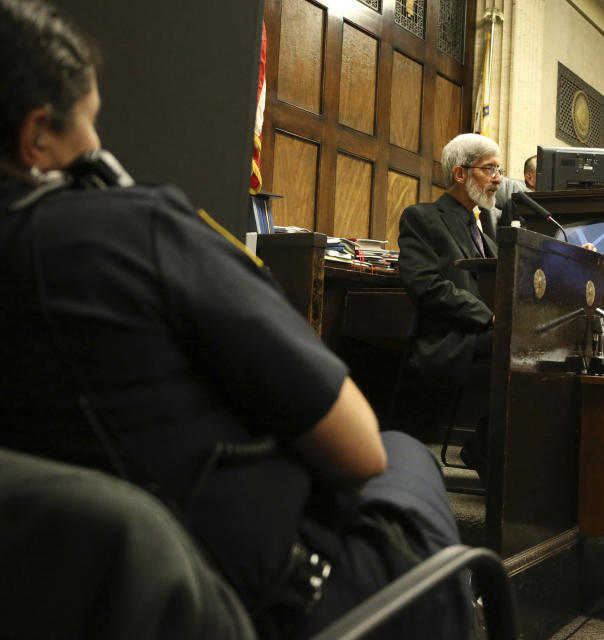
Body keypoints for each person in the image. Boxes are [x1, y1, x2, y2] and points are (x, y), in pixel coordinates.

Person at [0, 1, 469, 638]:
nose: (98, 147)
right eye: (88, 125)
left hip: (74, 606)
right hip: (278, 604)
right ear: (36, 137)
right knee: (402, 452)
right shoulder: (135, 230)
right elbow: (357, 451)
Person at [397, 133, 501, 476]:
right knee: (519, 346)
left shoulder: (486, 235)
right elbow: (425, 285)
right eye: (490, 170)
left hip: (486, 333)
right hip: (451, 338)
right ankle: (488, 451)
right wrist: (489, 317)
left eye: (499, 170)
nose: (498, 180)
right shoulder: (423, 217)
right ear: (461, 174)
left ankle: (488, 447)